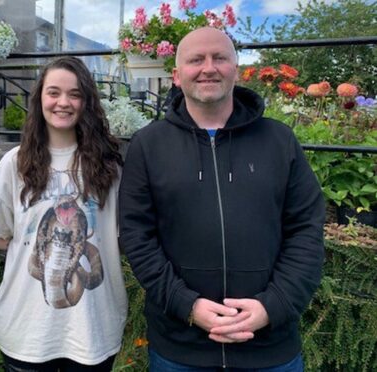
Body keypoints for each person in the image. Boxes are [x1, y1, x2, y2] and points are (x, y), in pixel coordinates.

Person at [119, 27, 325, 371]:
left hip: (270, 348)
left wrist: (272, 306)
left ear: (237, 69)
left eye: (220, 58)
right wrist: (186, 305)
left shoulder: (279, 140)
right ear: (176, 74)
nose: (208, 67)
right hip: (179, 348)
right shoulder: (148, 145)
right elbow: (137, 236)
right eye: (196, 59)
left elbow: (306, 229)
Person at [0, 56, 127, 371]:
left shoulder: (111, 167)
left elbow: (121, 239)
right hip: (26, 332)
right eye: (54, 92)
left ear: (87, 102)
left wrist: (81, 252)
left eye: (75, 94)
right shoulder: (14, 164)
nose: (63, 102)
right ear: (39, 98)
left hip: (94, 331)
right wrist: (38, 250)